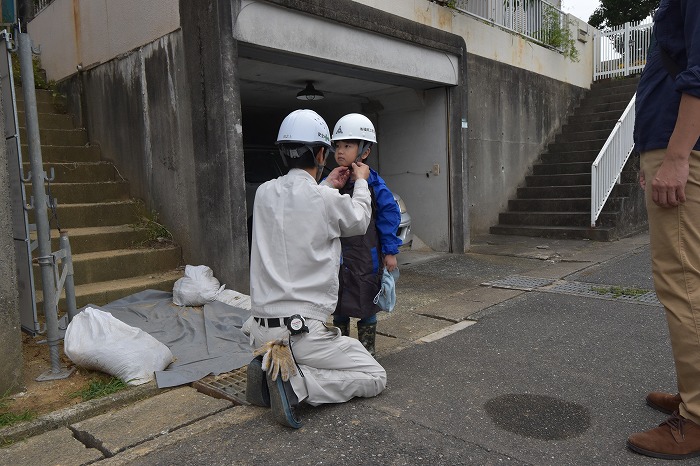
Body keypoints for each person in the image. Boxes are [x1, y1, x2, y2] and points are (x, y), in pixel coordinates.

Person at [243, 109, 387, 429]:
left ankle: (269, 361)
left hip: (260, 328)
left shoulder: (264, 193)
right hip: (301, 332)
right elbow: (359, 220)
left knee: (327, 355)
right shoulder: (324, 199)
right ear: (322, 153)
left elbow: (300, 205)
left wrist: (325, 185)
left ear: (282, 153)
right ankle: (296, 384)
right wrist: (360, 184)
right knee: (374, 375)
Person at [627, 0, 700, 459]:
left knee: (683, 282)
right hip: (676, 145)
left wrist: (674, 155)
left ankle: (697, 415)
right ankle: (692, 392)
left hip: (685, 149)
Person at [327, 113, 402, 356]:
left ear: (365, 151)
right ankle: (341, 352)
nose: (340, 151)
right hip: (338, 257)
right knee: (339, 304)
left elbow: (389, 214)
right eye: (337, 145)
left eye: (347, 146)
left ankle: (367, 353)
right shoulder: (332, 180)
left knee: (367, 303)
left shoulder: (374, 183)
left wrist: (390, 251)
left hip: (365, 256)